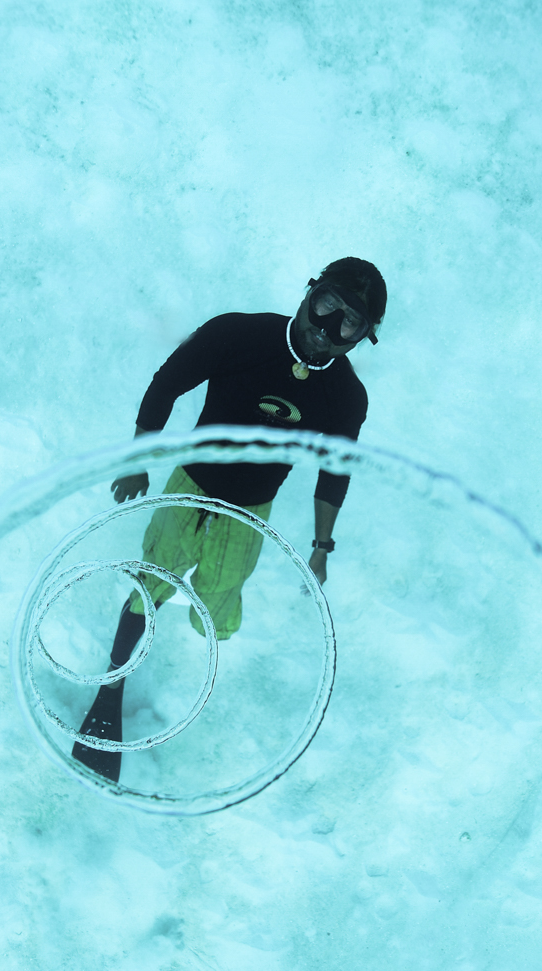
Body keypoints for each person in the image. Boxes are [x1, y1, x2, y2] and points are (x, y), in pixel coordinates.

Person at [73, 256, 388, 779]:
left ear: (362, 337)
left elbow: (335, 471)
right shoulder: (238, 335)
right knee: (150, 583)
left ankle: (194, 610)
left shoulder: (346, 397)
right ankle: (112, 687)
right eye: (327, 305)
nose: (328, 326)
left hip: (249, 516)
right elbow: (167, 383)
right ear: (309, 293)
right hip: (189, 488)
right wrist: (135, 463)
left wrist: (322, 546)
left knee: (217, 610)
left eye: (349, 322)